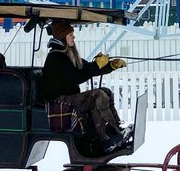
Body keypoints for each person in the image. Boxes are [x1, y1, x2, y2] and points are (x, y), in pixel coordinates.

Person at [40, 18, 128, 155]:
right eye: (70, 34)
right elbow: (76, 78)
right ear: (63, 37)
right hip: (60, 99)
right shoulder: (56, 57)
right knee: (97, 95)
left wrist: (110, 66)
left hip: (69, 96)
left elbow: (86, 68)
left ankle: (115, 129)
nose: (73, 37)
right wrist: (97, 65)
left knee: (106, 91)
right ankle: (104, 139)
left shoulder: (67, 54)